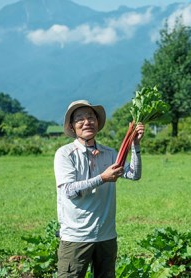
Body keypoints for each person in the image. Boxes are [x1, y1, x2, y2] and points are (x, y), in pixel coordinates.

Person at [53, 100, 145, 278]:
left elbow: (134, 174)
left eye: (91, 117)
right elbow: (69, 191)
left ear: (97, 122)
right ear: (72, 127)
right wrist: (102, 178)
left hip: (106, 236)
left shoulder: (109, 153)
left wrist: (136, 146)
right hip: (76, 237)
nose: (87, 122)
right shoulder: (65, 154)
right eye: (80, 119)